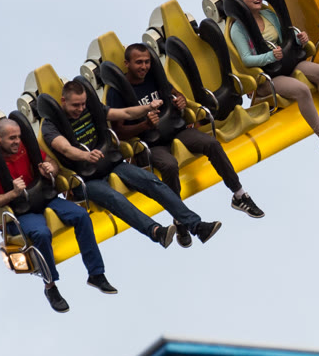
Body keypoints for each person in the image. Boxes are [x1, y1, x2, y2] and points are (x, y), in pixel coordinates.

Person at [43, 77, 222, 246]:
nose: (81, 108)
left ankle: (197, 226)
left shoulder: (90, 108)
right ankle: (156, 232)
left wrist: (148, 108)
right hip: (87, 179)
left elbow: (125, 113)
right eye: (76, 105)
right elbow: (65, 148)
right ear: (63, 101)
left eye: (83, 104)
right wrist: (85, 156)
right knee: (115, 198)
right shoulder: (50, 125)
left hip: (111, 164)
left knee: (152, 181)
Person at [0, 117, 112, 312]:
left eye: (18, 137)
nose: (17, 142)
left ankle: (96, 274)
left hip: (43, 198)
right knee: (41, 234)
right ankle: (50, 286)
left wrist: (51, 169)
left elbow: (51, 162)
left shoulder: (25, 147)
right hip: (20, 211)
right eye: (12, 138)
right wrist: (12, 194)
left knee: (80, 215)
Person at [107, 47, 265, 221]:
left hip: (176, 130)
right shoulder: (117, 92)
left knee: (211, 144)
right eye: (138, 62)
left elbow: (175, 93)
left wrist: (180, 100)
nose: (144, 66)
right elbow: (118, 133)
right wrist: (144, 125)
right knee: (169, 165)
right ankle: (180, 217)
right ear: (127, 63)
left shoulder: (154, 77)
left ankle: (239, 195)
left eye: (147, 62)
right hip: (150, 143)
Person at [227, 0, 319, 151]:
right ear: (242, 2)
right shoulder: (237, 29)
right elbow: (246, 60)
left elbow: (286, 35)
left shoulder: (268, 15)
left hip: (286, 62)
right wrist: (270, 57)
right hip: (268, 76)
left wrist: (299, 38)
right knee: (301, 90)